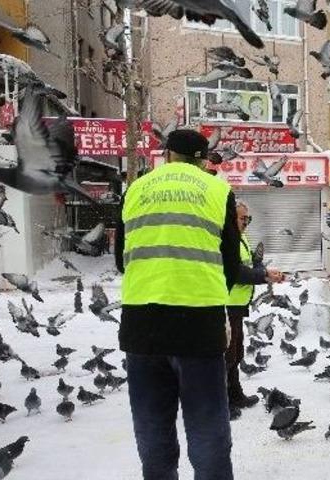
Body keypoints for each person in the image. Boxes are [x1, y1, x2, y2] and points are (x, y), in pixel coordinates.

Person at [115, 129, 240, 480]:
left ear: (166, 154)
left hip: (142, 326)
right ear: (202, 159)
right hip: (199, 326)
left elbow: (122, 260)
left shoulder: (135, 190)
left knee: (152, 428)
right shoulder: (217, 190)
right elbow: (230, 263)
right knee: (207, 429)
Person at [225, 201, 284, 420]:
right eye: (242, 219)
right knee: (227, 355)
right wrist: (263, 275)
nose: (246, 223)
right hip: (226, 303)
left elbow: (250, 265)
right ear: (231, 218)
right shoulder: (225, 240)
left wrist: (264, 269)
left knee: (237, 352)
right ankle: (221, 401)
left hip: (238, 304)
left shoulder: (242, 238)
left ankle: (235, 394)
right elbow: (236, 272)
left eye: (248, 219)